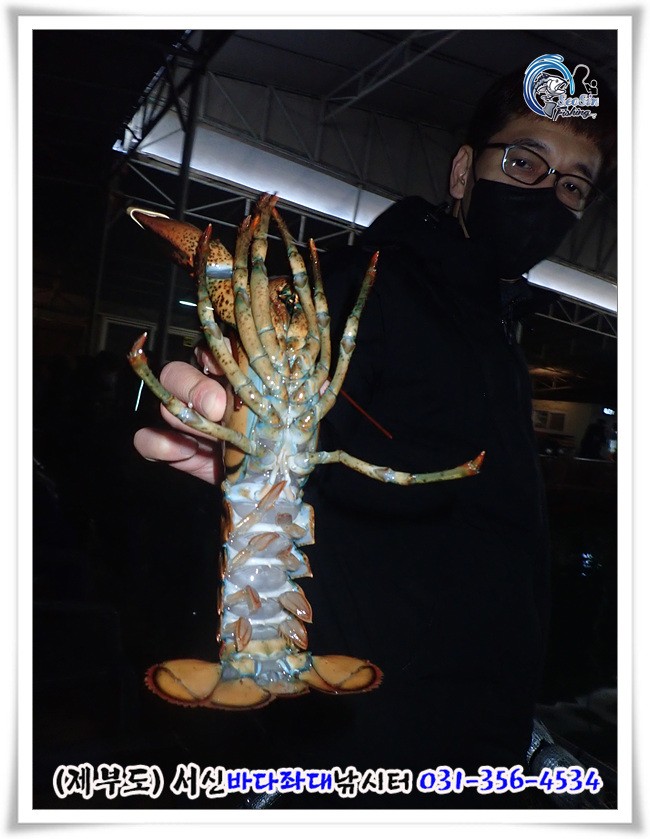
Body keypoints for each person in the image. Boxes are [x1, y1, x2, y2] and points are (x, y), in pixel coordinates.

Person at [132, 68, 615, 808]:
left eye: (573, 185)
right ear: (463, 171)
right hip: (367, 751)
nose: (548, 194)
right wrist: (218, 433)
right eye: (524, 162)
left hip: (481, 741)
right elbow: (275, 425)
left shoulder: (502, 336)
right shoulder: (360, 287)